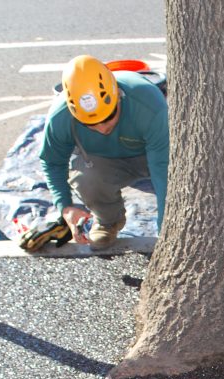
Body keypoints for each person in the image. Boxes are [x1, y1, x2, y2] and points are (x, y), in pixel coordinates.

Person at [36, 55, 169, 251]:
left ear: (118, 97)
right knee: (85, 179)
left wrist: (165, 232)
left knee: (178, 176)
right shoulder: (60, 116)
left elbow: (163, 170)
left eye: (108, 117)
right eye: (90, 124)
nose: (102, 128)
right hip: (102, 161)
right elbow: (52, 162)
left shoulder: (147, 103)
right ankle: (109, 222)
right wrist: (65, 207)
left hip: (151, 156)